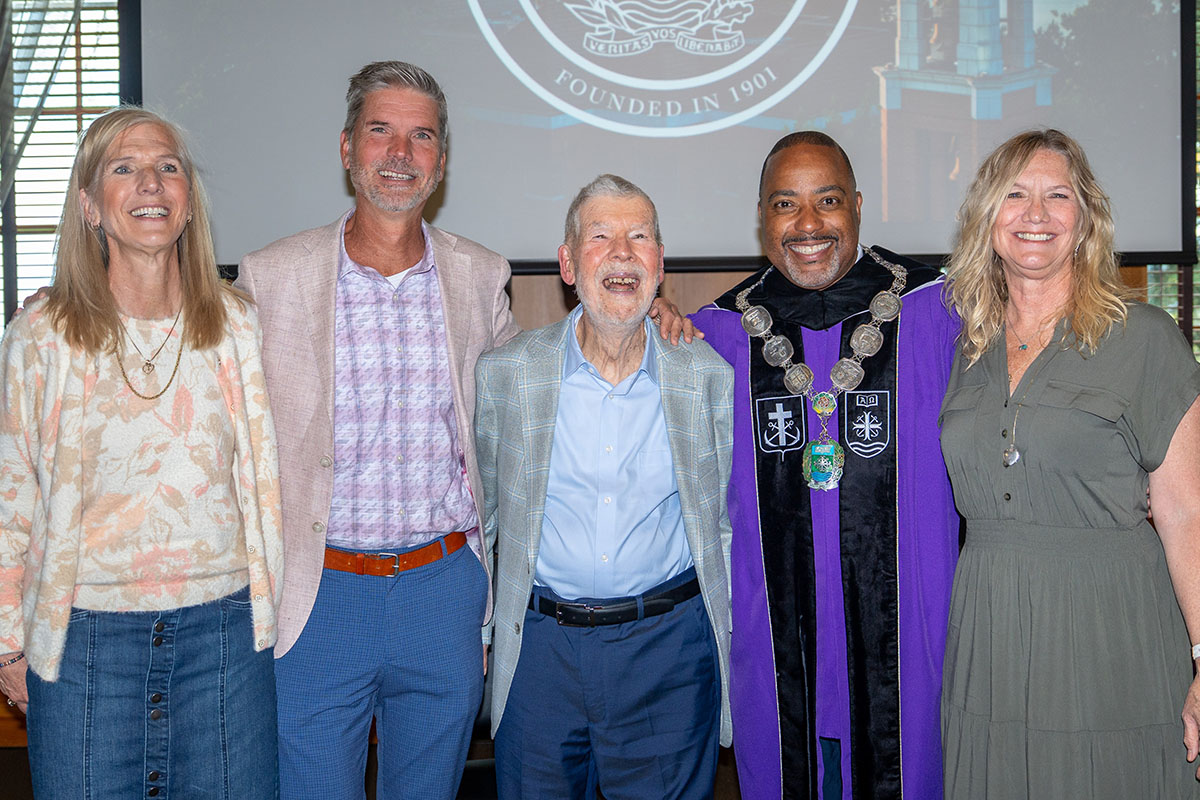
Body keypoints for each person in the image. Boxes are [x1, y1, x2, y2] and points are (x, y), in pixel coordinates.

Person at [236, 62, 693, 800]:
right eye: (380, 131)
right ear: (347, 147)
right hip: (319, 595)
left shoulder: (479, 275)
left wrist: (645, 314)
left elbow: (538, 379)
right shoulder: (271, 276)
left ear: (441, 161)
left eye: (421, 136)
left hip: (442, 594)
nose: (400, 152)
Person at [0, 107, 283, 799]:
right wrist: (7, 642)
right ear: (90, 206)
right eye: (123, 169)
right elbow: (9, 493)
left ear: (187, 202)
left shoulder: (241, 325)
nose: (150, 184)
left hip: (226, 640)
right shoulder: (41, 334)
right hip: (83, 644)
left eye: (167, 167)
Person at [690, 131, 960, 799]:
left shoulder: (941, 311)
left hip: (911, 638)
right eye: (786, 204)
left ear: (858, 206)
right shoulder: (716, 334)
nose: (808, 224)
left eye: (828, 201)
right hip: (775, 635)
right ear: (762, 216)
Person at [938, 128, 1200, 798]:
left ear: (1086, 220)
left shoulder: (1144, 339)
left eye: (1058, 196)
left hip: (1109, 629)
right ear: (987, 216)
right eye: (1015, 194)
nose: (1036, 214)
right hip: (990, 631)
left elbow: (1185, 512)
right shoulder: (958, 345)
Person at [476, 174, 733, 799]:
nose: (622, 253)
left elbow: (725, 523)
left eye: (638, 237)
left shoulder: (707, 375)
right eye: (600, 237)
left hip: (667, 655)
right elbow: (482, 520)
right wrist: (482, 633)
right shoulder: (507, 374)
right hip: (539, 653)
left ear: (659, 264)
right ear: (568, 265)